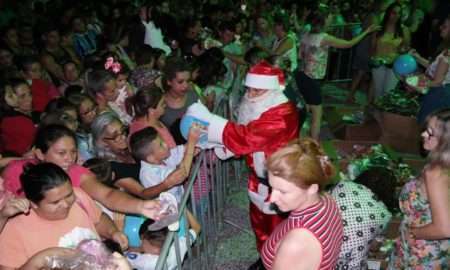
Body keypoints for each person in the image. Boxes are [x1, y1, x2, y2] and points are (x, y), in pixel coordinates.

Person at [186, 61, 300, 270]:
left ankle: (278, 263)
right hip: (259, 180)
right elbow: (248, 135)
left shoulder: (282, 113)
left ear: (271, 89)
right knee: (259, 223)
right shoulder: (260, 105)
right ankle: (265, 258)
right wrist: (227, 145)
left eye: (257, 90)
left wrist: (211, 123)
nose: (251, 95)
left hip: (279, 183)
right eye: (249, 89)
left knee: (278, 229)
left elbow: (248, 136)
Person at [2, 124, 162, 221]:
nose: (69, 159)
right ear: (40, 154)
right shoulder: (15, 172)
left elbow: (107, 195)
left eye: (73, 152)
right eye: (61, 153)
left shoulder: (75, 172)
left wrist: (140, 206)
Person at [0, 162, 128, 268]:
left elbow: (98, 219)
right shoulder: (13, 228)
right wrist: (41, 259)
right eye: (55, 202)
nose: (66, 204)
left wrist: (113, 232)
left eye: (68, 195)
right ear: (33, 203)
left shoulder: (79, 196)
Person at [296, 10, 380, 140]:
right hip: (311, 79)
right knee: (317, 115)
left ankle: (300, 138)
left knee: (305, 111)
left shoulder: (306, 35)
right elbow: (349, 44)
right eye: (329, 17)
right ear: (323, 21)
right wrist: (367, 31)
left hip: (301, 76)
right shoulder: (324, 38)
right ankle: (313, 146)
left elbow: (299, 56)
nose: (331, 20)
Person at [260, 138, 343, 270]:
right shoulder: (326, 199)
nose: (272, 198)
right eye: (272, 187)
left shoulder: (297, 243)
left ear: (312, 188)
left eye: (283, 191)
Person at [388, 108, 450, 269]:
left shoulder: (436, 173)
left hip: (421, 251)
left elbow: (444, 228)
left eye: (430, 133)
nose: (423, 135)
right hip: (439, 251)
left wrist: (414, 233)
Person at [330, 167, 397, 269]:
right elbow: (374, 247)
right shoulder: (385, 214)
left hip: (320, 249)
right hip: (349, 264)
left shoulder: (344, 185)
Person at [129, 126, 199, 202]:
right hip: (172, 210)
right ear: (151, 158)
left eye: (163, 140)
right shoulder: (149, 173)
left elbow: (181, 150)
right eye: (161, 145)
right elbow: (182, 174)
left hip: (180, 200)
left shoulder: (161, 157)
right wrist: (191, 144)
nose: (166, 144)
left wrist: (196, 139)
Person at [126, 209, 201, 270]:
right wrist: (183, 207)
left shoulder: (146, 262)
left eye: (141, 241)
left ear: (144, 238)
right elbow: (197, 228)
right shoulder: (177, 248)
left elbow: (118, 257)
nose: (140, 243)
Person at [409, 15, 450, 124]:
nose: (440, 27)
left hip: (439, 95)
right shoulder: (446, 50)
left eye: (445, 26)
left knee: (426, 126)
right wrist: (417, 58)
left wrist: (414, 81)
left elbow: (437, 82)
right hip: (440, 94)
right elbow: (435, 68)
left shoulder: (448, 53)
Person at [370, 3, 410, 100]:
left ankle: (382, 114)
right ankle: (376, 114)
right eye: (394, 13)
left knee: (388, 92)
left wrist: (402, 50)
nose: (396, 16)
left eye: (399, 13)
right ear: (388, 13)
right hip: (378, 64)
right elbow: (372, 47)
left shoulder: (404, 30)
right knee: (378, 91)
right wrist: (372, 60)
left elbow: (407, 49)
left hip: (395, 66)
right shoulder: (379, 28)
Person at [160, 58, 199, 144]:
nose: (185, 85)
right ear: (169, 81)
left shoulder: (192, 96)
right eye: (180, 82)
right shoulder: (160, 104)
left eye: (188, 81)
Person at [0, 79, 39, 156]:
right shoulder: (15, 122)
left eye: (30, 94)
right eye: (22, 96)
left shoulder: (36, 114)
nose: (29, 99)